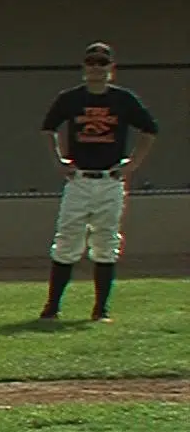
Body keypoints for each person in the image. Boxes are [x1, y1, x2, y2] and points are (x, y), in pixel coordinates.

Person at [37, 41, 158, 322]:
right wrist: (57, 160)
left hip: (110, 181)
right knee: (67, 242)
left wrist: (133, 163)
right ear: (84, 67)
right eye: (91, 62)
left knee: (106, 243)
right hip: (79, 180)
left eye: (102, 63)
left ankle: (100, 310)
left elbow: (150, 130)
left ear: (111, 68)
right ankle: (52, 308)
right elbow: (48, 128)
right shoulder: (70, 99)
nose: (96, 68)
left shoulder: (123, 100)